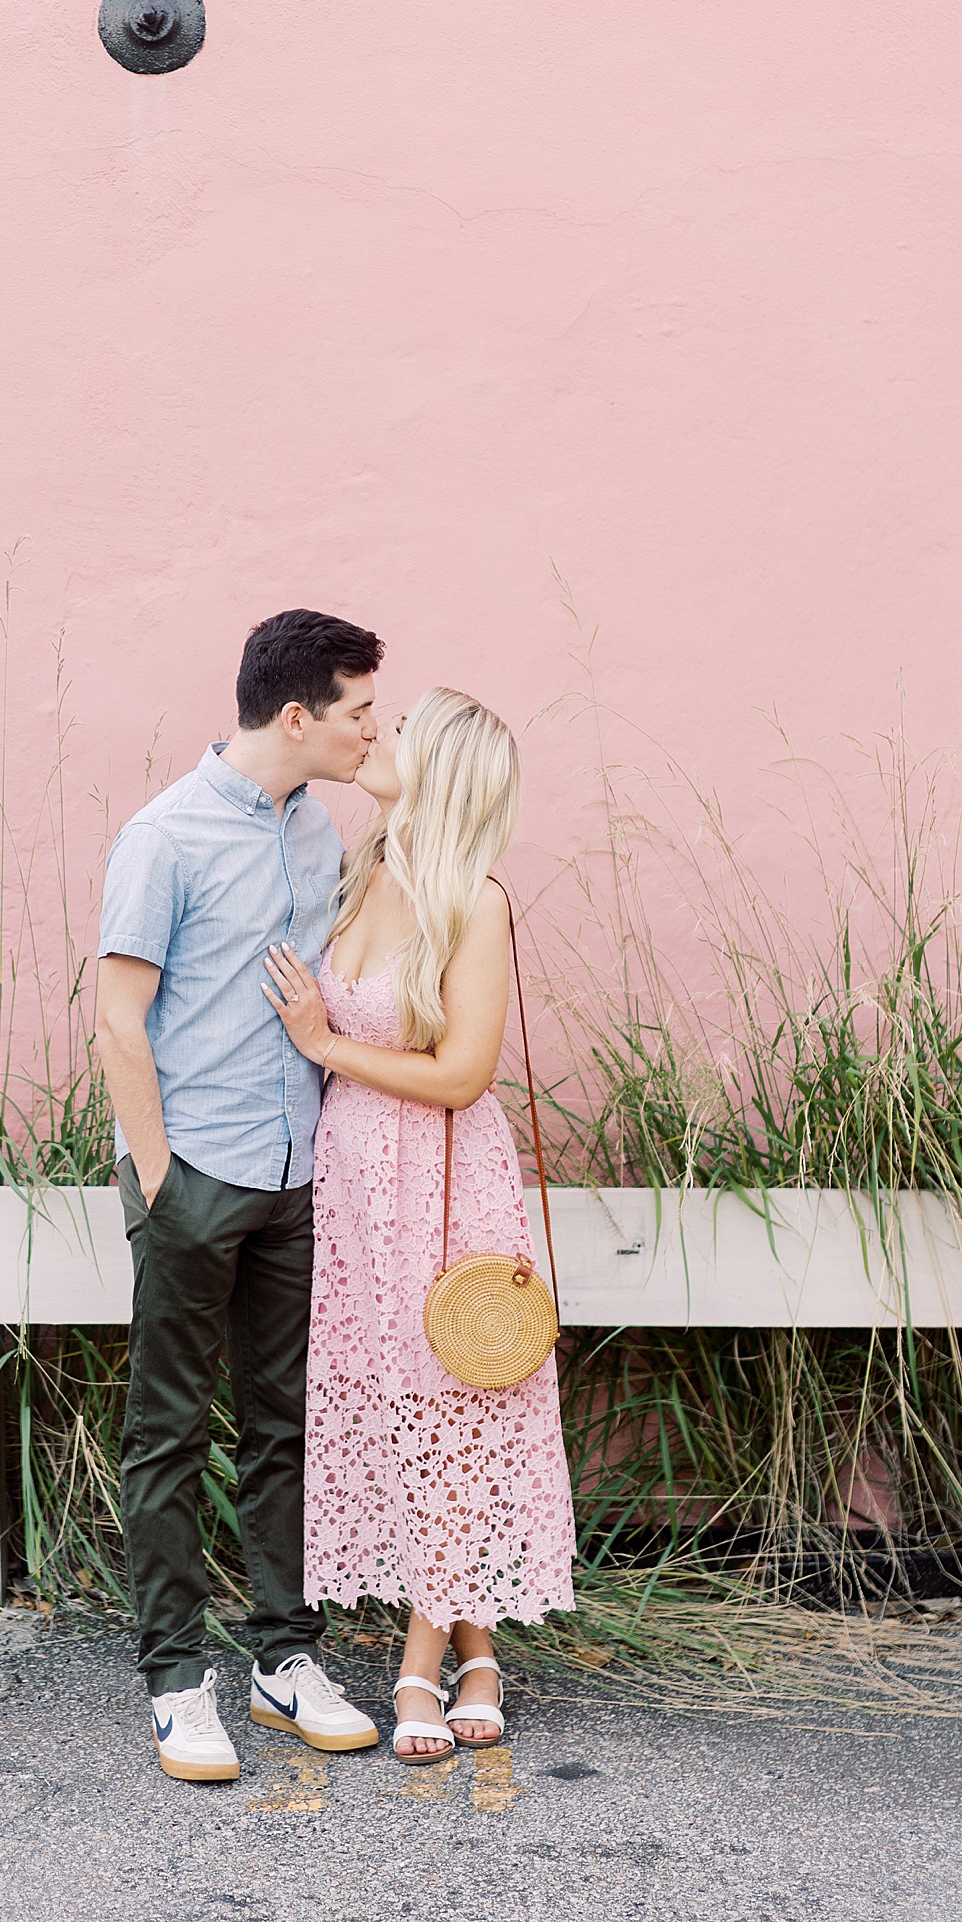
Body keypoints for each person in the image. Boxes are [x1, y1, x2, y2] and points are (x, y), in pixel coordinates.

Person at [94, 609, 386, 1782]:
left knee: (284, 1426)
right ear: (297, 715)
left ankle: (285, 1657)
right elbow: (120, 1019)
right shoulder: (161, 838)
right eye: (360, 711)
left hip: (295, 1174)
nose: (374, 730)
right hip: (196, 1176)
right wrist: (160, 1180)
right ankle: (174, 1679)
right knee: (166, 1433)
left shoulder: (318, 832)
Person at [262, 687, 577, 1764]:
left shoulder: (474, 900)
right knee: (410, 1407)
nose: (374, 739)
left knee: (456, 1400)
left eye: (397, 733)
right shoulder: (359, 874)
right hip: (355, 1192)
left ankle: (419, 1662)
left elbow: (460, 1074)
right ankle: (478, 1655)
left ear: (435, 770)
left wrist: (322, 1043)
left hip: (442, 1180)